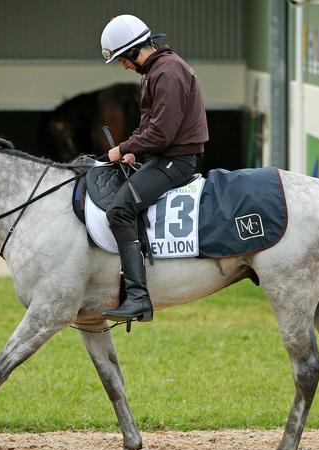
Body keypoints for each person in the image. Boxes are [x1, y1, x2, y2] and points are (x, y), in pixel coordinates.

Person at [100, 14, 209, 322]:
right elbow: (151, 127)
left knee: (119, 210)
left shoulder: (168, 72)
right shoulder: (156, 71)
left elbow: (162, 132)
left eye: (122, 59)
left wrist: (122, 149)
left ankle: (137, 297)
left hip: (175, 163)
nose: (123, 66)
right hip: (162, 158)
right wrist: (135, 152)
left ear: (135, 51)